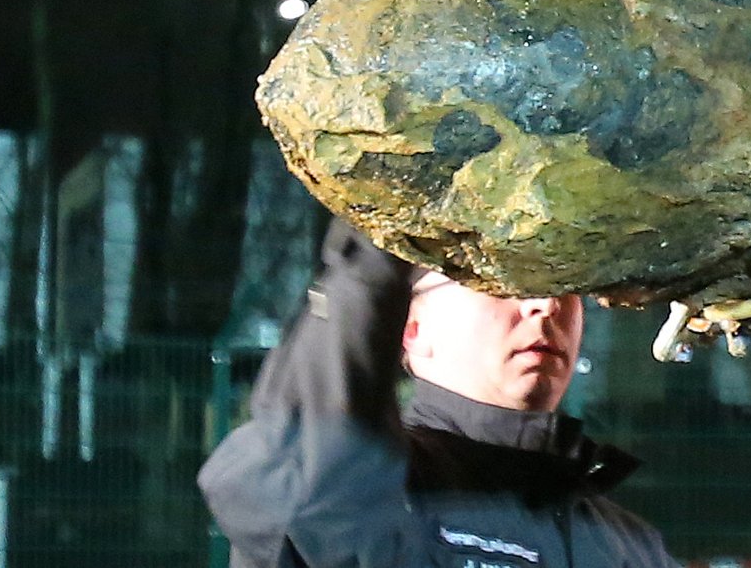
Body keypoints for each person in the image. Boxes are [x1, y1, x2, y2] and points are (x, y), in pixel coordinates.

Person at [199, 217, 680, 568]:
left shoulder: (628, 544)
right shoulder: (367, 487)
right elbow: (300, 464)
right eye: (500, 282)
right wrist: (378, 236)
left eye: (564, 285)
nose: (545, 305)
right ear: (410, 328)